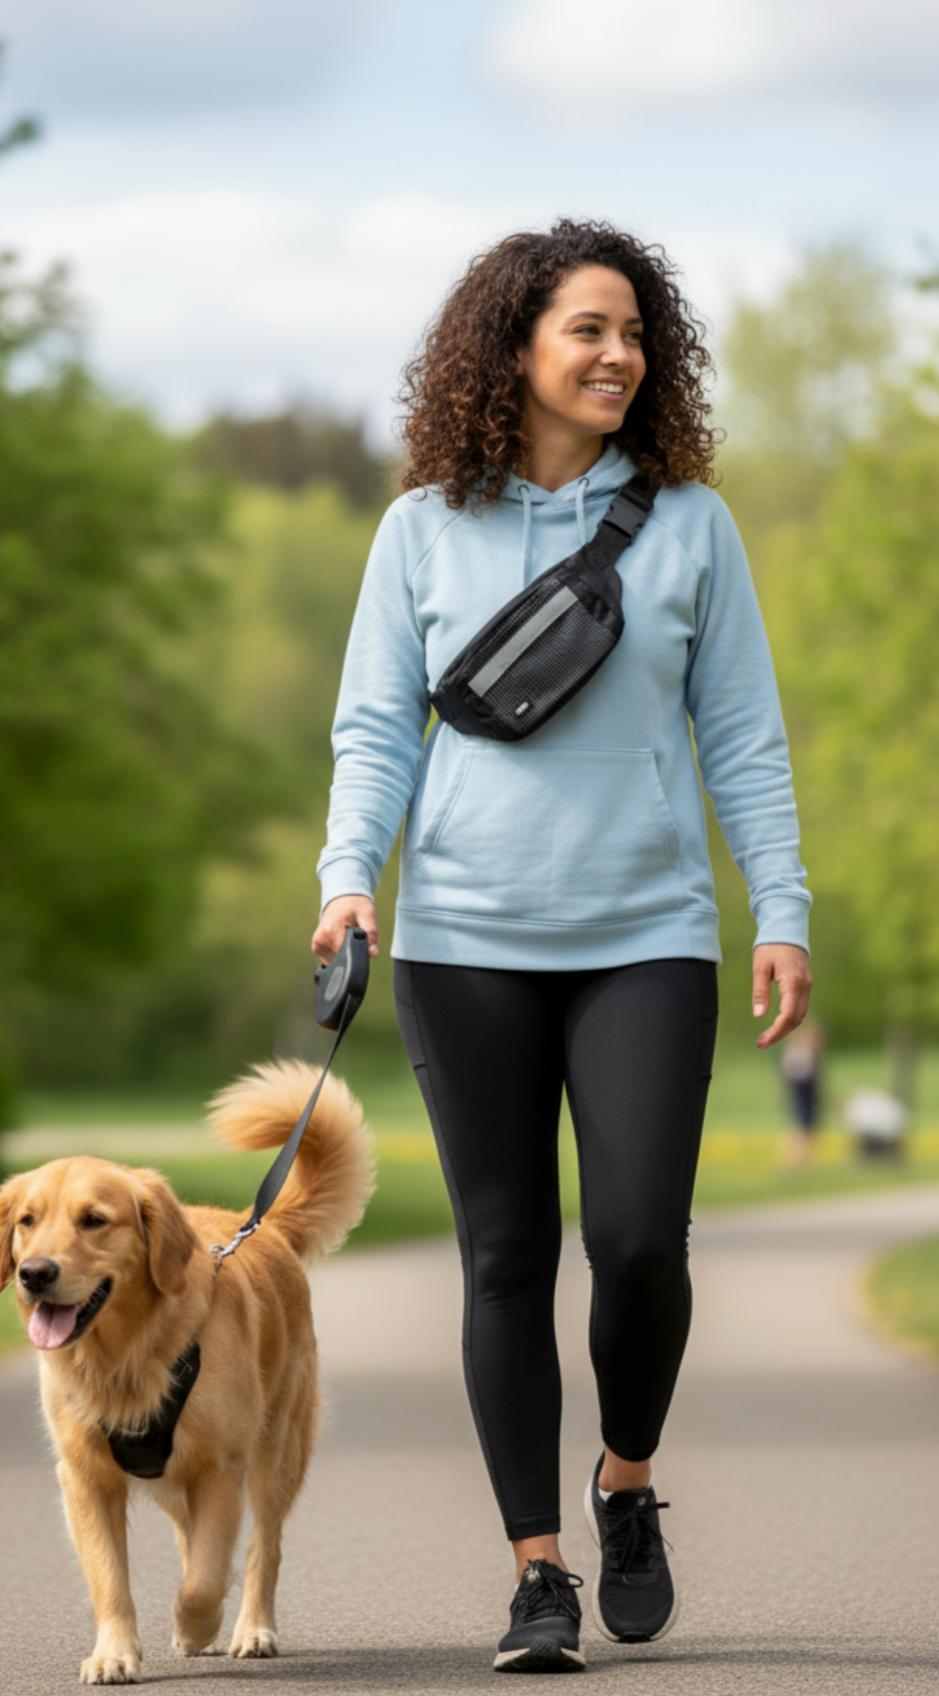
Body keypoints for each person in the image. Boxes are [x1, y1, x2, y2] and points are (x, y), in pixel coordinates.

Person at [311, 220, 813, 1674]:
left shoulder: (688, 526)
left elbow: (745, 738)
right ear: (512, 348)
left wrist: (778, 906)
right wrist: (349, 880)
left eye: (635, 334)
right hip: (465, 940)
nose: (618, 355)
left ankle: (628, 1481)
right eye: (588, 329)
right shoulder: (419, 529)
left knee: (643, 1237)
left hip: (647, 936)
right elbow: (371, 734)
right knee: (505, 1252)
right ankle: (537, 1573)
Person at [781, 1020, 825, 1169]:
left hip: (806, 1095)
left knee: (806, 1129)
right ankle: (795, 1161)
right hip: (802, 1094)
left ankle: (802, 1161)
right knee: (802, 1128)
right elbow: (799, 1076)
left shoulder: (804, 1053)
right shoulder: (799, 1053)